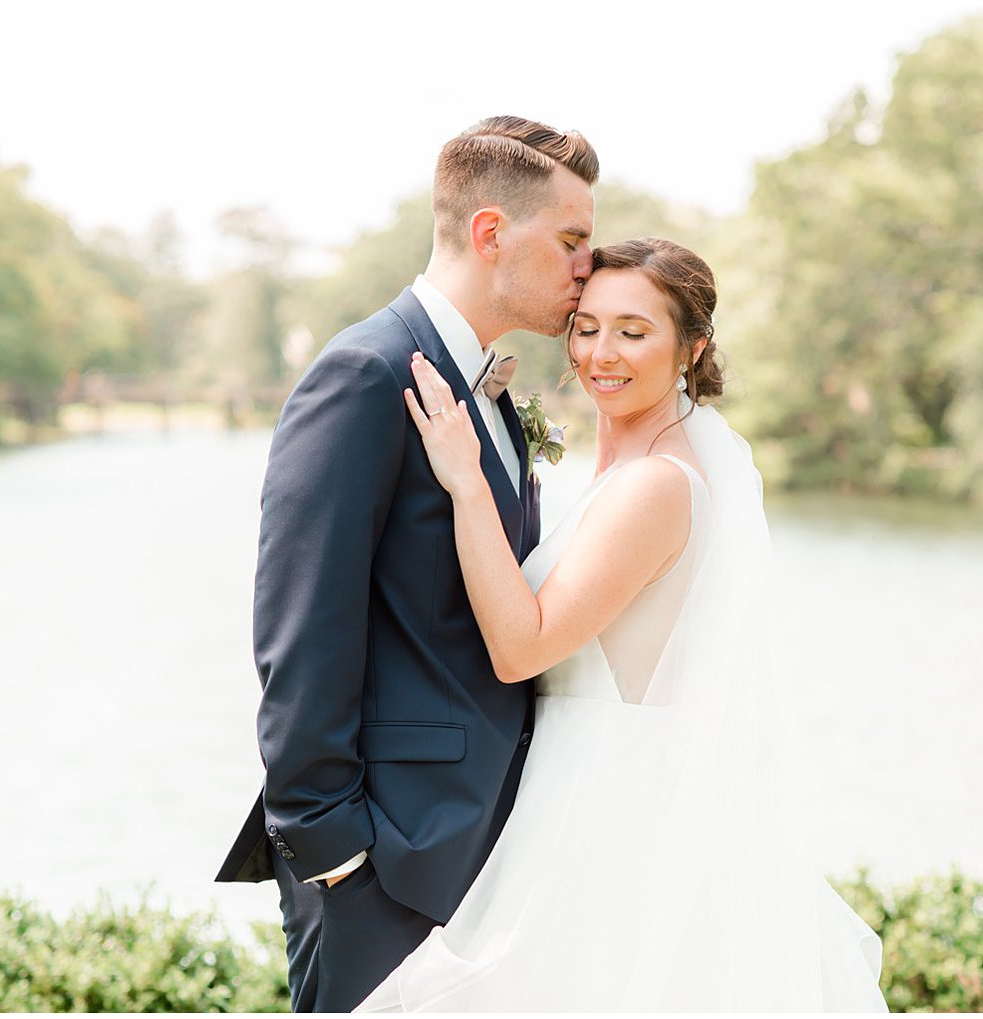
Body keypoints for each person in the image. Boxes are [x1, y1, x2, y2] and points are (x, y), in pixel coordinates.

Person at [358, 238, 888, 1011]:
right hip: (576, 798)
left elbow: (521, 646)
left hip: (605, 821)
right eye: (587, 326)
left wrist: (466, 481)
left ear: (692, 346)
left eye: (634, 331)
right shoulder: (624, 472)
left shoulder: (655, 488)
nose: (601, 353)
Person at [214, 115, 598, 1013]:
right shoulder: (364, 372)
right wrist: (334, 851)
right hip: (383, 870)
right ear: (490, 230)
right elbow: (301, 628)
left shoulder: (492, 396)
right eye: (573, 239)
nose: (588, 264)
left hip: (488, 855)